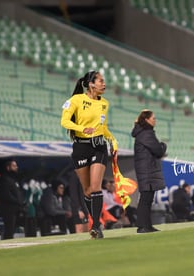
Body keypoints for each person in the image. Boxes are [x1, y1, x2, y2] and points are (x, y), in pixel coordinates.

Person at [60, 70, 118, 239]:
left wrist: (113, 141)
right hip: (80, 147)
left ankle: (96, 226)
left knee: (95, 187)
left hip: (99, 147)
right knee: (87, 190)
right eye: (100, 81)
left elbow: (103, 127)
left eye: (104, 81)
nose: (104, 84)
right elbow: (64, 121)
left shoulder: (105, 103)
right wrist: (81, 129)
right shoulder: (76, 100)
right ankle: (94, 220)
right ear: (91, 84)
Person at [131, 109, 167, 233]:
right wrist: (163, 145)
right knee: (146, 198)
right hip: (147, 169)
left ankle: (147, 225)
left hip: (146, 169)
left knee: (147, 198)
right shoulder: (146, 133)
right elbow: (158, 150)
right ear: (146, 120)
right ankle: (142, 226)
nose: (155, 120)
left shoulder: (143, 133)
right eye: (153, 118)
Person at [0, 158, 24, 240]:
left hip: (16, 209)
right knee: (9, 230)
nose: (16, 167)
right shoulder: (4, 179)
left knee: (13, 229)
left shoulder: (13, 180)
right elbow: (6, 195)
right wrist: (17, 202)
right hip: (8, 209)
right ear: (8, 167)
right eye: (14, 166)